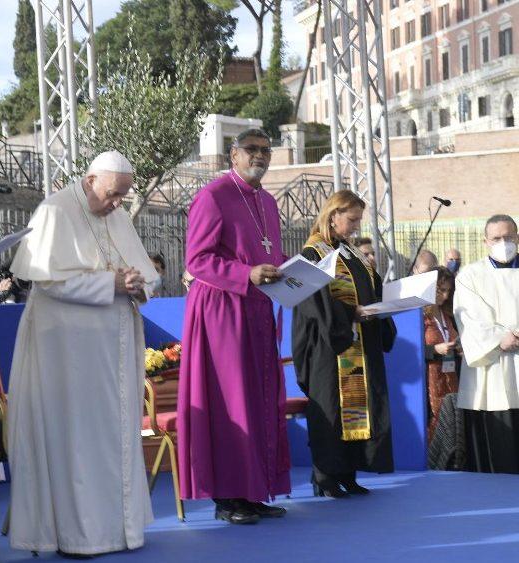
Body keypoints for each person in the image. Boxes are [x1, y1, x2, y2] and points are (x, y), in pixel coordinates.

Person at [6, 150, 157, 557]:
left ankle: (121, 529)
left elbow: (144, 274)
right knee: (76, 439)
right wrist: (110, 284)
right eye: (111, 194)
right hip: (69, 355)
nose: (116, 204)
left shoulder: (118, 216)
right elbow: (49, 283)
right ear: (90, 180)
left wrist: (138, 283)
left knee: (116, 433)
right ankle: (80, 536)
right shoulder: (54, 211)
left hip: (114, 350)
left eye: (123, 196)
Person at [176, 128, 291, 526]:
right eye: (252, 150)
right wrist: (246, 272)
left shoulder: (269, 202)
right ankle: (228, 498)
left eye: (266, 150)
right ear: (234, 155)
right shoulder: (213, 196)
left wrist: (297, 268)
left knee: (260, 401)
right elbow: (197, 260)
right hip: (221, 311)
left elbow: (269, 253)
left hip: (257, 310)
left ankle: (255, 491)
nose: (260, 156)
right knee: (232, 403)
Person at [292, 190, 397, 498]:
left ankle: (348, 472)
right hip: (329, 345)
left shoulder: (350, 252)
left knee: (358, 408)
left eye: (358, 220)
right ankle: (325, 475)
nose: (355, 226)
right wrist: (351, 313)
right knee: (331, 408)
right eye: (351, 220)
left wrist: (383, 305)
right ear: (333, 215)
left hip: (359, 341)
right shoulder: (314, 252)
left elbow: (371, 287)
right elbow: (313, 303)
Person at [453, 214, 519, 473]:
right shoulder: (470, 275)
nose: (504, 243)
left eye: (509, 237)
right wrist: (500, 338)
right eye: (497, 238)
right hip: (492, 367)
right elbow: (468, 316)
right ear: (485, 241)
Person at [423, 267, 460, 443]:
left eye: (448, 291)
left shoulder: (448, 315)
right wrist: (434, 350)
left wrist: (459, 350)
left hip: (451, 379)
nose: (445, 296)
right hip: (429, 381)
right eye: (441, 290)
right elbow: (411, 351)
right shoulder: (420, 316)